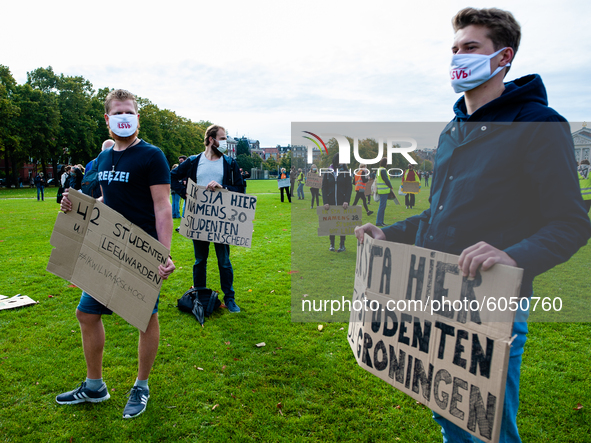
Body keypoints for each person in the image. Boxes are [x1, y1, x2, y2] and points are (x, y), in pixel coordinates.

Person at [356, 8, 591, 443]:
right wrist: (389, 233)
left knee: (484, 428)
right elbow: (438, 214)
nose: (457, 58)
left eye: (470, 47)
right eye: (453, 49)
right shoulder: (451, 131)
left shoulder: (540, 124)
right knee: (449, 414)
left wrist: (512, 256)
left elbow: (571, 222)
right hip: (434, 292)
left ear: (503, 57)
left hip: (492, 304)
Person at [55, 89, 175, 419]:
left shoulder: (153, 156)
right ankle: (95, 386)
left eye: (130, 112)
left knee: (144, 318)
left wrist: (163, 253)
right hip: (107, 248)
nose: (125, 117)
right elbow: (108, 201)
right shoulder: (105, 158)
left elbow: (162, 207)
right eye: (118, 113)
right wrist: (79, 206)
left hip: (141, 251)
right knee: (86, 314)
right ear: (108, 119)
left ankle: (141, 385)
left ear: (137, 117)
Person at [171, 124, 245, 313]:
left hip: (221, 218)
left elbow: (241, 187)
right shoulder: (194, 161)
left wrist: (224, 188)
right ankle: (199, 297)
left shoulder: (229, 163)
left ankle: (230, 299)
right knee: (200, 260)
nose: (225, 142)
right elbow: (172, 177)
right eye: (222, 138)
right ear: (211, 139)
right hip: (199, 217)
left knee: (224, 261)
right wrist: (186, 193)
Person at [322, 153, 352, 252]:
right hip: (330, 202)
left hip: (342, 202)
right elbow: (324, 187)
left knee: (342, 224)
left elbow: (349, 187)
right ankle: (332, 243)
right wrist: (325, 202)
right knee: (332, 223)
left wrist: (346, 200)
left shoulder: (346, 172)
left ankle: (342, 244)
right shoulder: (328, 172)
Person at [375, 158, 394, 227]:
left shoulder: (379, 169)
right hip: (384, 190)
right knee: (382, 206)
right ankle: (379, 222)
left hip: (381, 190)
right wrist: (390, 186)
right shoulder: (383, 170)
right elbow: (385, 179)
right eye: (387, 162)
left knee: (382, 206)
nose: (387, 164)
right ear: (384, 163)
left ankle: (381, 221)